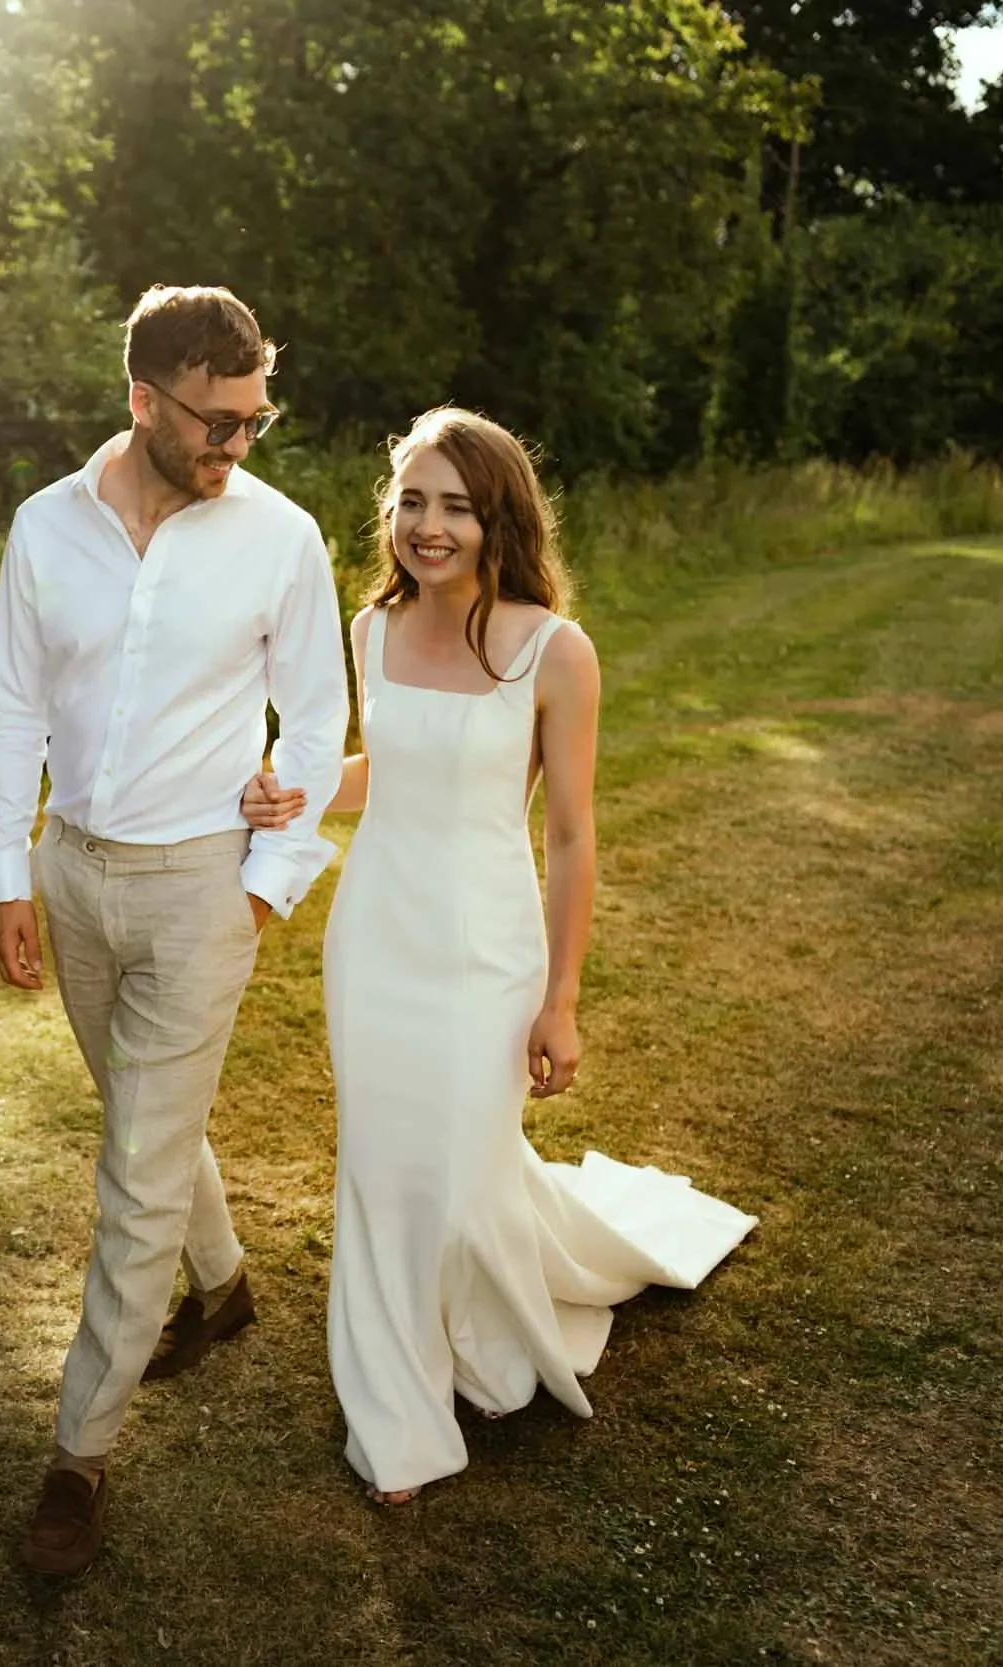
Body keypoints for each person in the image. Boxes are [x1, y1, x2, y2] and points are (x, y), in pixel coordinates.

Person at [242, 407, 755, 1504]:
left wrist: (560, 1000)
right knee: (384, 1169)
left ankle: (505, 1306)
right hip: (376, 930)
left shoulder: (553, 650)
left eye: (455, 507)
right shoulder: (370, 630)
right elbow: (391, 767)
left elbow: (569, 834)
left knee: (463, 1169)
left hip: (485, 945)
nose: (428, 527)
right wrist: (296, 786)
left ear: (497, 517)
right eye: (412, 502)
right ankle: (397, 1414)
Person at [0, 285, 348, 1574]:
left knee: (134, 1163)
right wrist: (6, 874)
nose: (236, 446)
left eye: (255, 420)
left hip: (202, 890)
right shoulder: (43, 527)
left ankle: (77, 1455)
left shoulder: (280, 538)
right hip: (70, 875)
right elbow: (12, 704)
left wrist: (263, 883)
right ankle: (226, 1284)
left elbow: (312, 721)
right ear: (142, 398)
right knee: (143, 1113)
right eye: (215, 421)